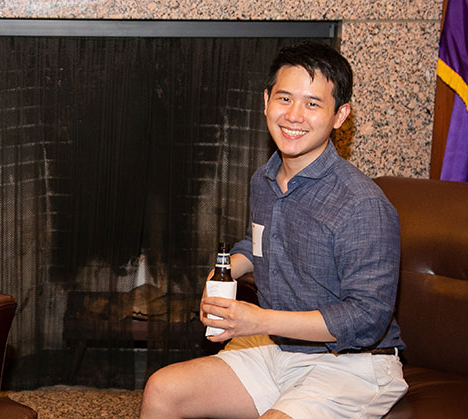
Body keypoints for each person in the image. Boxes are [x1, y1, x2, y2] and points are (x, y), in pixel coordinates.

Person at [140, 42, 408, 419]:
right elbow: (263, 243)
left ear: (340, 115)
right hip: (279, 348)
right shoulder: (263, 180)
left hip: (355, 364)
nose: (294, 115)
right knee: (163, 390)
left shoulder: (362, 204)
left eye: (313, 104)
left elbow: (367, 318)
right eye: (285, 98)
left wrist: (257, 320)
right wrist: (227, 270)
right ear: (266, 100)